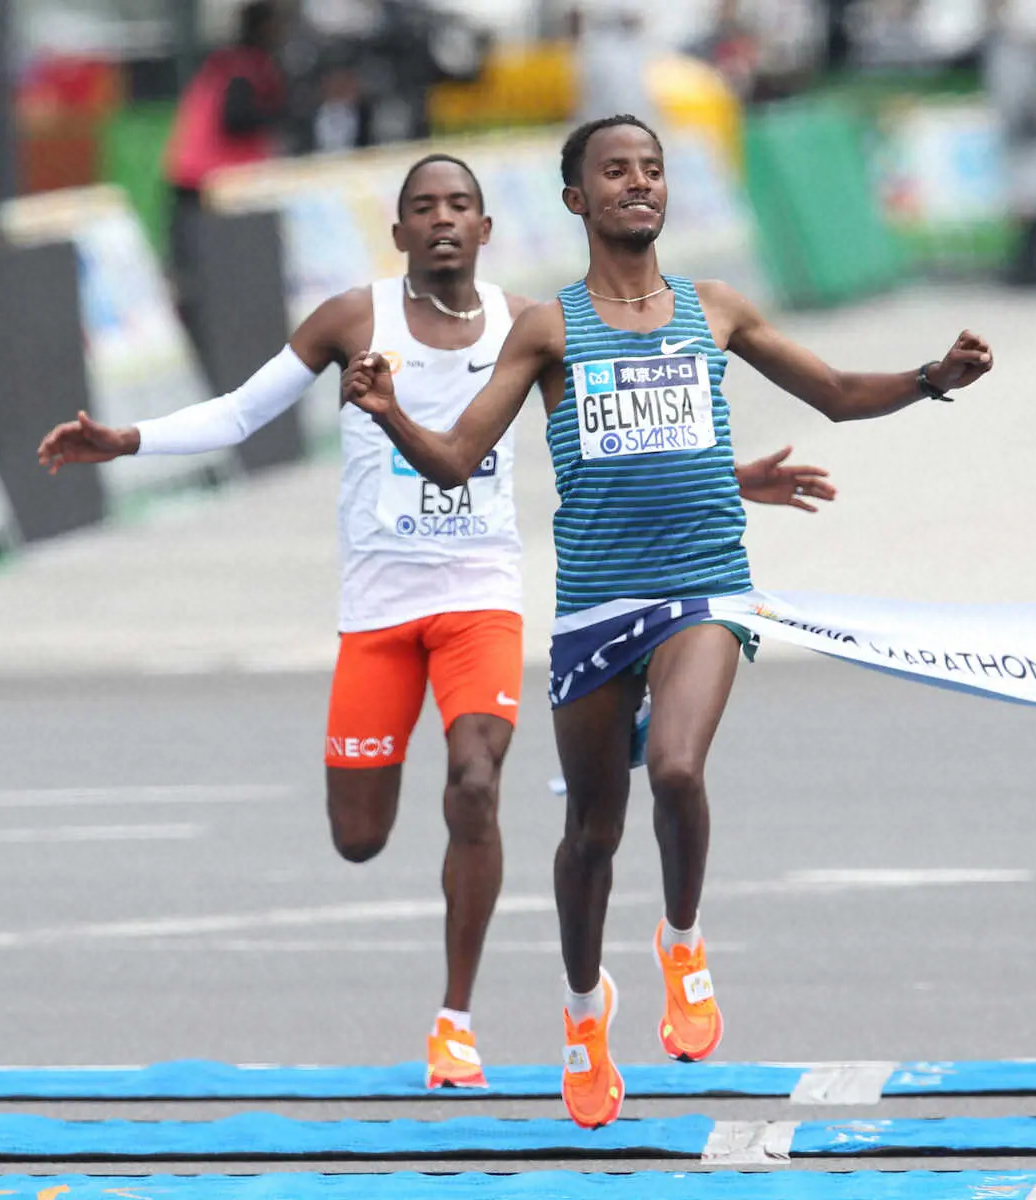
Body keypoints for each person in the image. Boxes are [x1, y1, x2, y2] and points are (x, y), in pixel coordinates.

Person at [37, 153, 834, 1090]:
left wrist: (728, 480)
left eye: (462, 205)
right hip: (378, 606)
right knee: (359, 835)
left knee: (474, 782)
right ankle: (479, 952)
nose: (444, 219)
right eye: (424, 207)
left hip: (480, 594)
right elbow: (245, 414)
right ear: (401, 231)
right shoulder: (349, 319)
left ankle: (456, 1021)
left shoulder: (530, 322)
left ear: (488, 229)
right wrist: (128, 440)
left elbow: (612, 438)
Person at [341, 116, 994, 1128]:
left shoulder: (715, 309)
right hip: (597, 603)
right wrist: (386, 413)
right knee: (589, 835)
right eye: (614, 173)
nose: (637, 184)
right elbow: (460, 458)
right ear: (576, 202)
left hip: (705, 584)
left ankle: (682, 942)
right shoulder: (548, 329)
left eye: (650, 171)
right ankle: (582, 1012)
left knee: (680, 769)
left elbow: (828, 392)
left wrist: (925, 380)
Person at [165, 1, 287, 324]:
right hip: (211, 180)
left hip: (194, 173)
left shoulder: (225, 62)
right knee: (214, 271)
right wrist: (277, 117)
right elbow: (235, 119)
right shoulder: (245, 68)